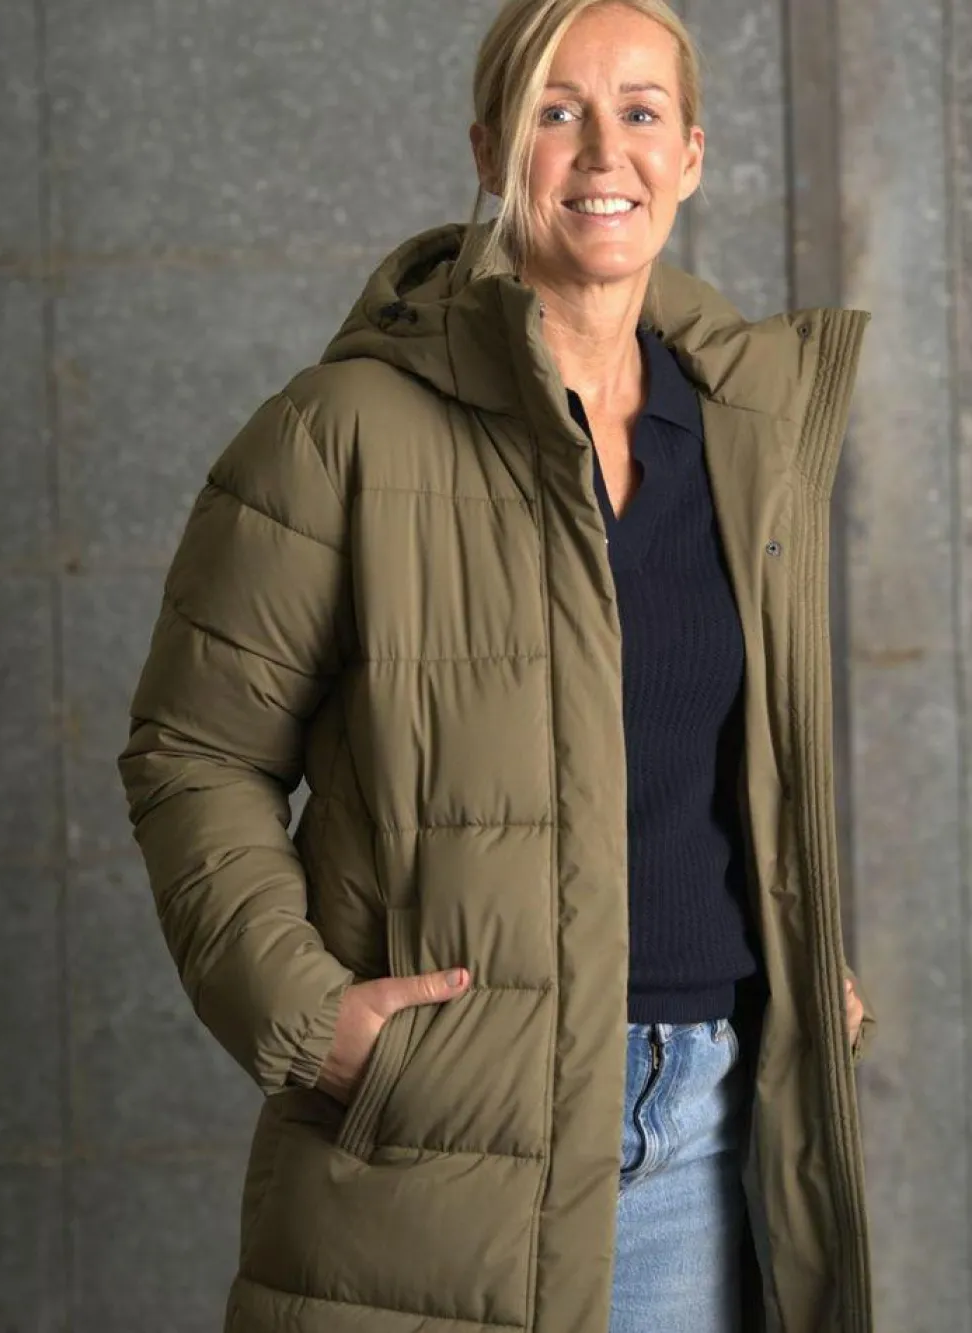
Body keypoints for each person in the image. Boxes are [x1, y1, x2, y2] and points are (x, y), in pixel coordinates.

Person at [118, 1, 875, 1330]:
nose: (604, 152)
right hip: (448, 1133)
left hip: (717, 1137)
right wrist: (308, 1016)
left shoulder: (747, 439)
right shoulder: (341, 431)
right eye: (555, 111)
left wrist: (799, 957)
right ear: (489, 148)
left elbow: (719, 768)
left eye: (641, 112)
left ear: (691, 155)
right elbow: (194, 752)